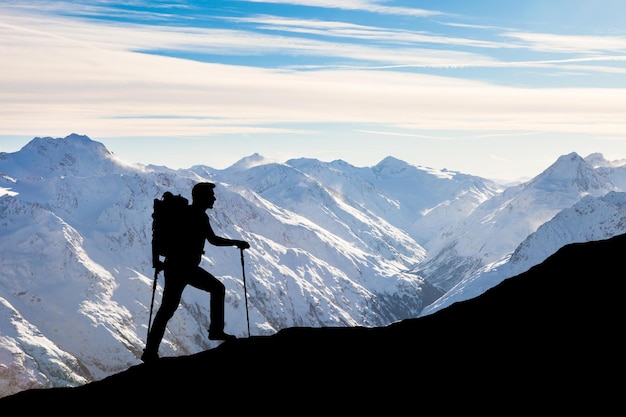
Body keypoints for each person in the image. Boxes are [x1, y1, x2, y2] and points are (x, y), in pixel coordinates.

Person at [142, 182, 250, 363]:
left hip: (174, 267)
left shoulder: (186, 214)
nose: (214, 198)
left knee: (166, 310)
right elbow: (214, 240)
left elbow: (157, 235)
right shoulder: (199, 216)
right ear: (201, 197)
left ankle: (150, 352)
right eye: (210, 195)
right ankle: (215, 331)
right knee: (217, 289)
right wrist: (236, 242)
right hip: (185, 268)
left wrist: (157, 262)